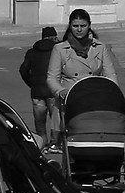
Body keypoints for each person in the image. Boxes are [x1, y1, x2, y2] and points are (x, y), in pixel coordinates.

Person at [45, 8, 114, 141]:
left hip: (94, 100)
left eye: (83, 26)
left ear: (89, 25)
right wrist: (60, 91)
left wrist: (111, 93)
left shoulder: (100, 47)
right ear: (70, 26)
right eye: (75, 26)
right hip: (68, 101)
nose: (79, 29)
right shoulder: (59, 49)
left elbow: (110, 74)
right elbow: (52, 77)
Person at [18, 24, 59, 137]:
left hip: (36, 91)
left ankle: (42, 143)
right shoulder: (58, 51)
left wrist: (32, 84)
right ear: (55, 37)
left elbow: (23, 70)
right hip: (53, 90)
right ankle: (55, 144)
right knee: (56, 120)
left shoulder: (32, 52)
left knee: (40, 121)